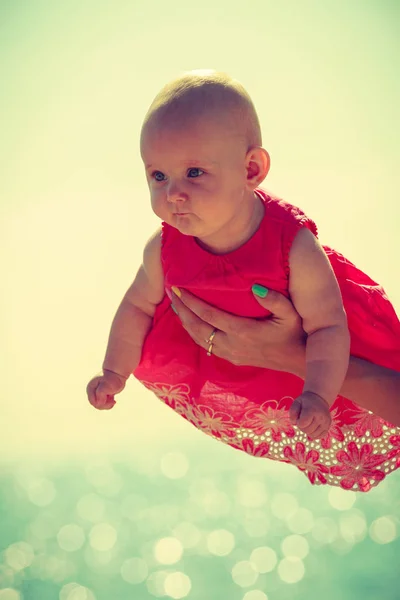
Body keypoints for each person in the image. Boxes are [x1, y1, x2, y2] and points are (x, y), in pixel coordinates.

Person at [86, 70, 400, 492]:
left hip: (326, 362)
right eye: (158, 176)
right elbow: (136, 307)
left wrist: (318, 395)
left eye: (194, 172)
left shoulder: (293, 247)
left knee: (331, 419)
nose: (173, 193)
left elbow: (329, 326)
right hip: (239, 364)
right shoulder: (163, 248)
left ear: (251, 169)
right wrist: (113, 372)